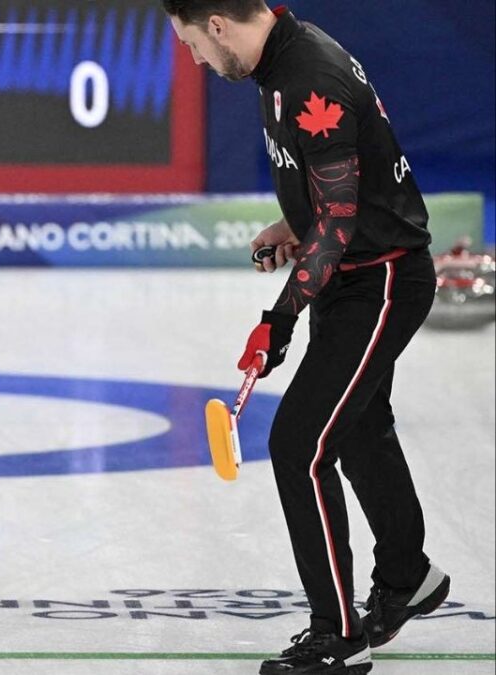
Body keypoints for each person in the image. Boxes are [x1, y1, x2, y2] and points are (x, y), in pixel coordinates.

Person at [162, 2, 450, 673]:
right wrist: (292, 227)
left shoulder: (309, 75)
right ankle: (408, 575)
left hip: (380, 282)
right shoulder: (278, 65)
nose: (194, 62)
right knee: (357, 427)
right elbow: (340, 189)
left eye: (191, 45)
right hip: (356, 276)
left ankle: (338, 635)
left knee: (298, 445)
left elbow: (343, 219)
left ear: (217, 24)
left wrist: (281, 316)